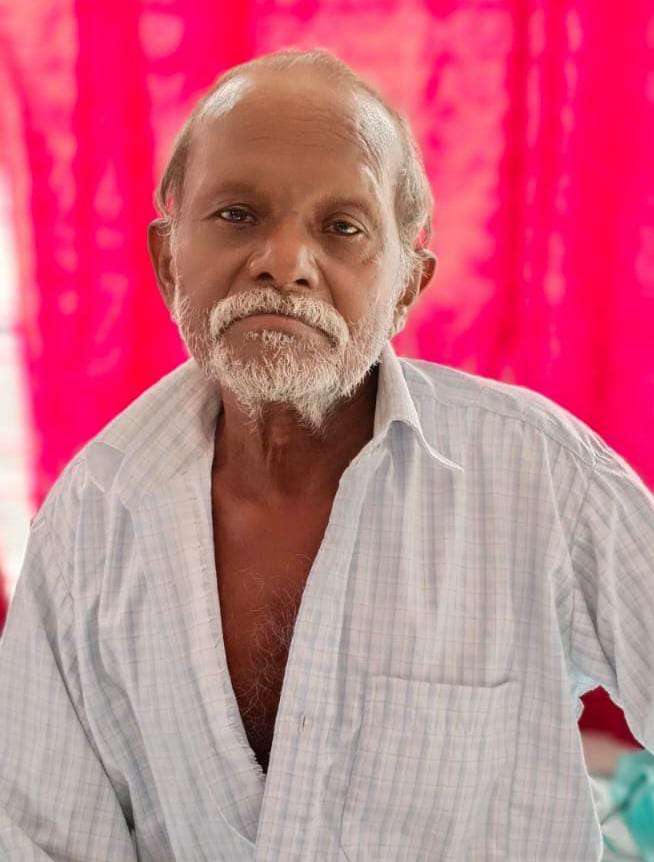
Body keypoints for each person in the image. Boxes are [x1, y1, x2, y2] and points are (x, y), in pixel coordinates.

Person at [1, 47, 653, 862]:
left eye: (342, 228)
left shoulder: (542, 477)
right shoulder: (92, 522)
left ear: (407, 286)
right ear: (168, 262)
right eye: (237, 214)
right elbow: (42, 837)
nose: (284, 262)